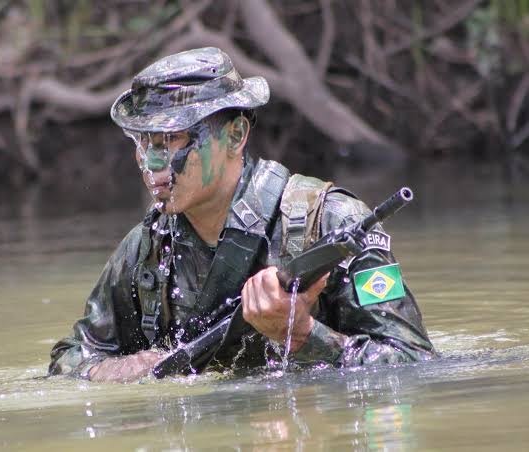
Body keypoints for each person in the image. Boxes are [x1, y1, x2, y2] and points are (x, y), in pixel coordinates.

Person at [48, 47, 435, 382]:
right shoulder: (146, 250)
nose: (151, 163)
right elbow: (70, 357)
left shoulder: (334, 222)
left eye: (172, 140)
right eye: (142, 141)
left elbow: (413, 365)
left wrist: (302, 334)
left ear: (235, 136)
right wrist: (118, 370)